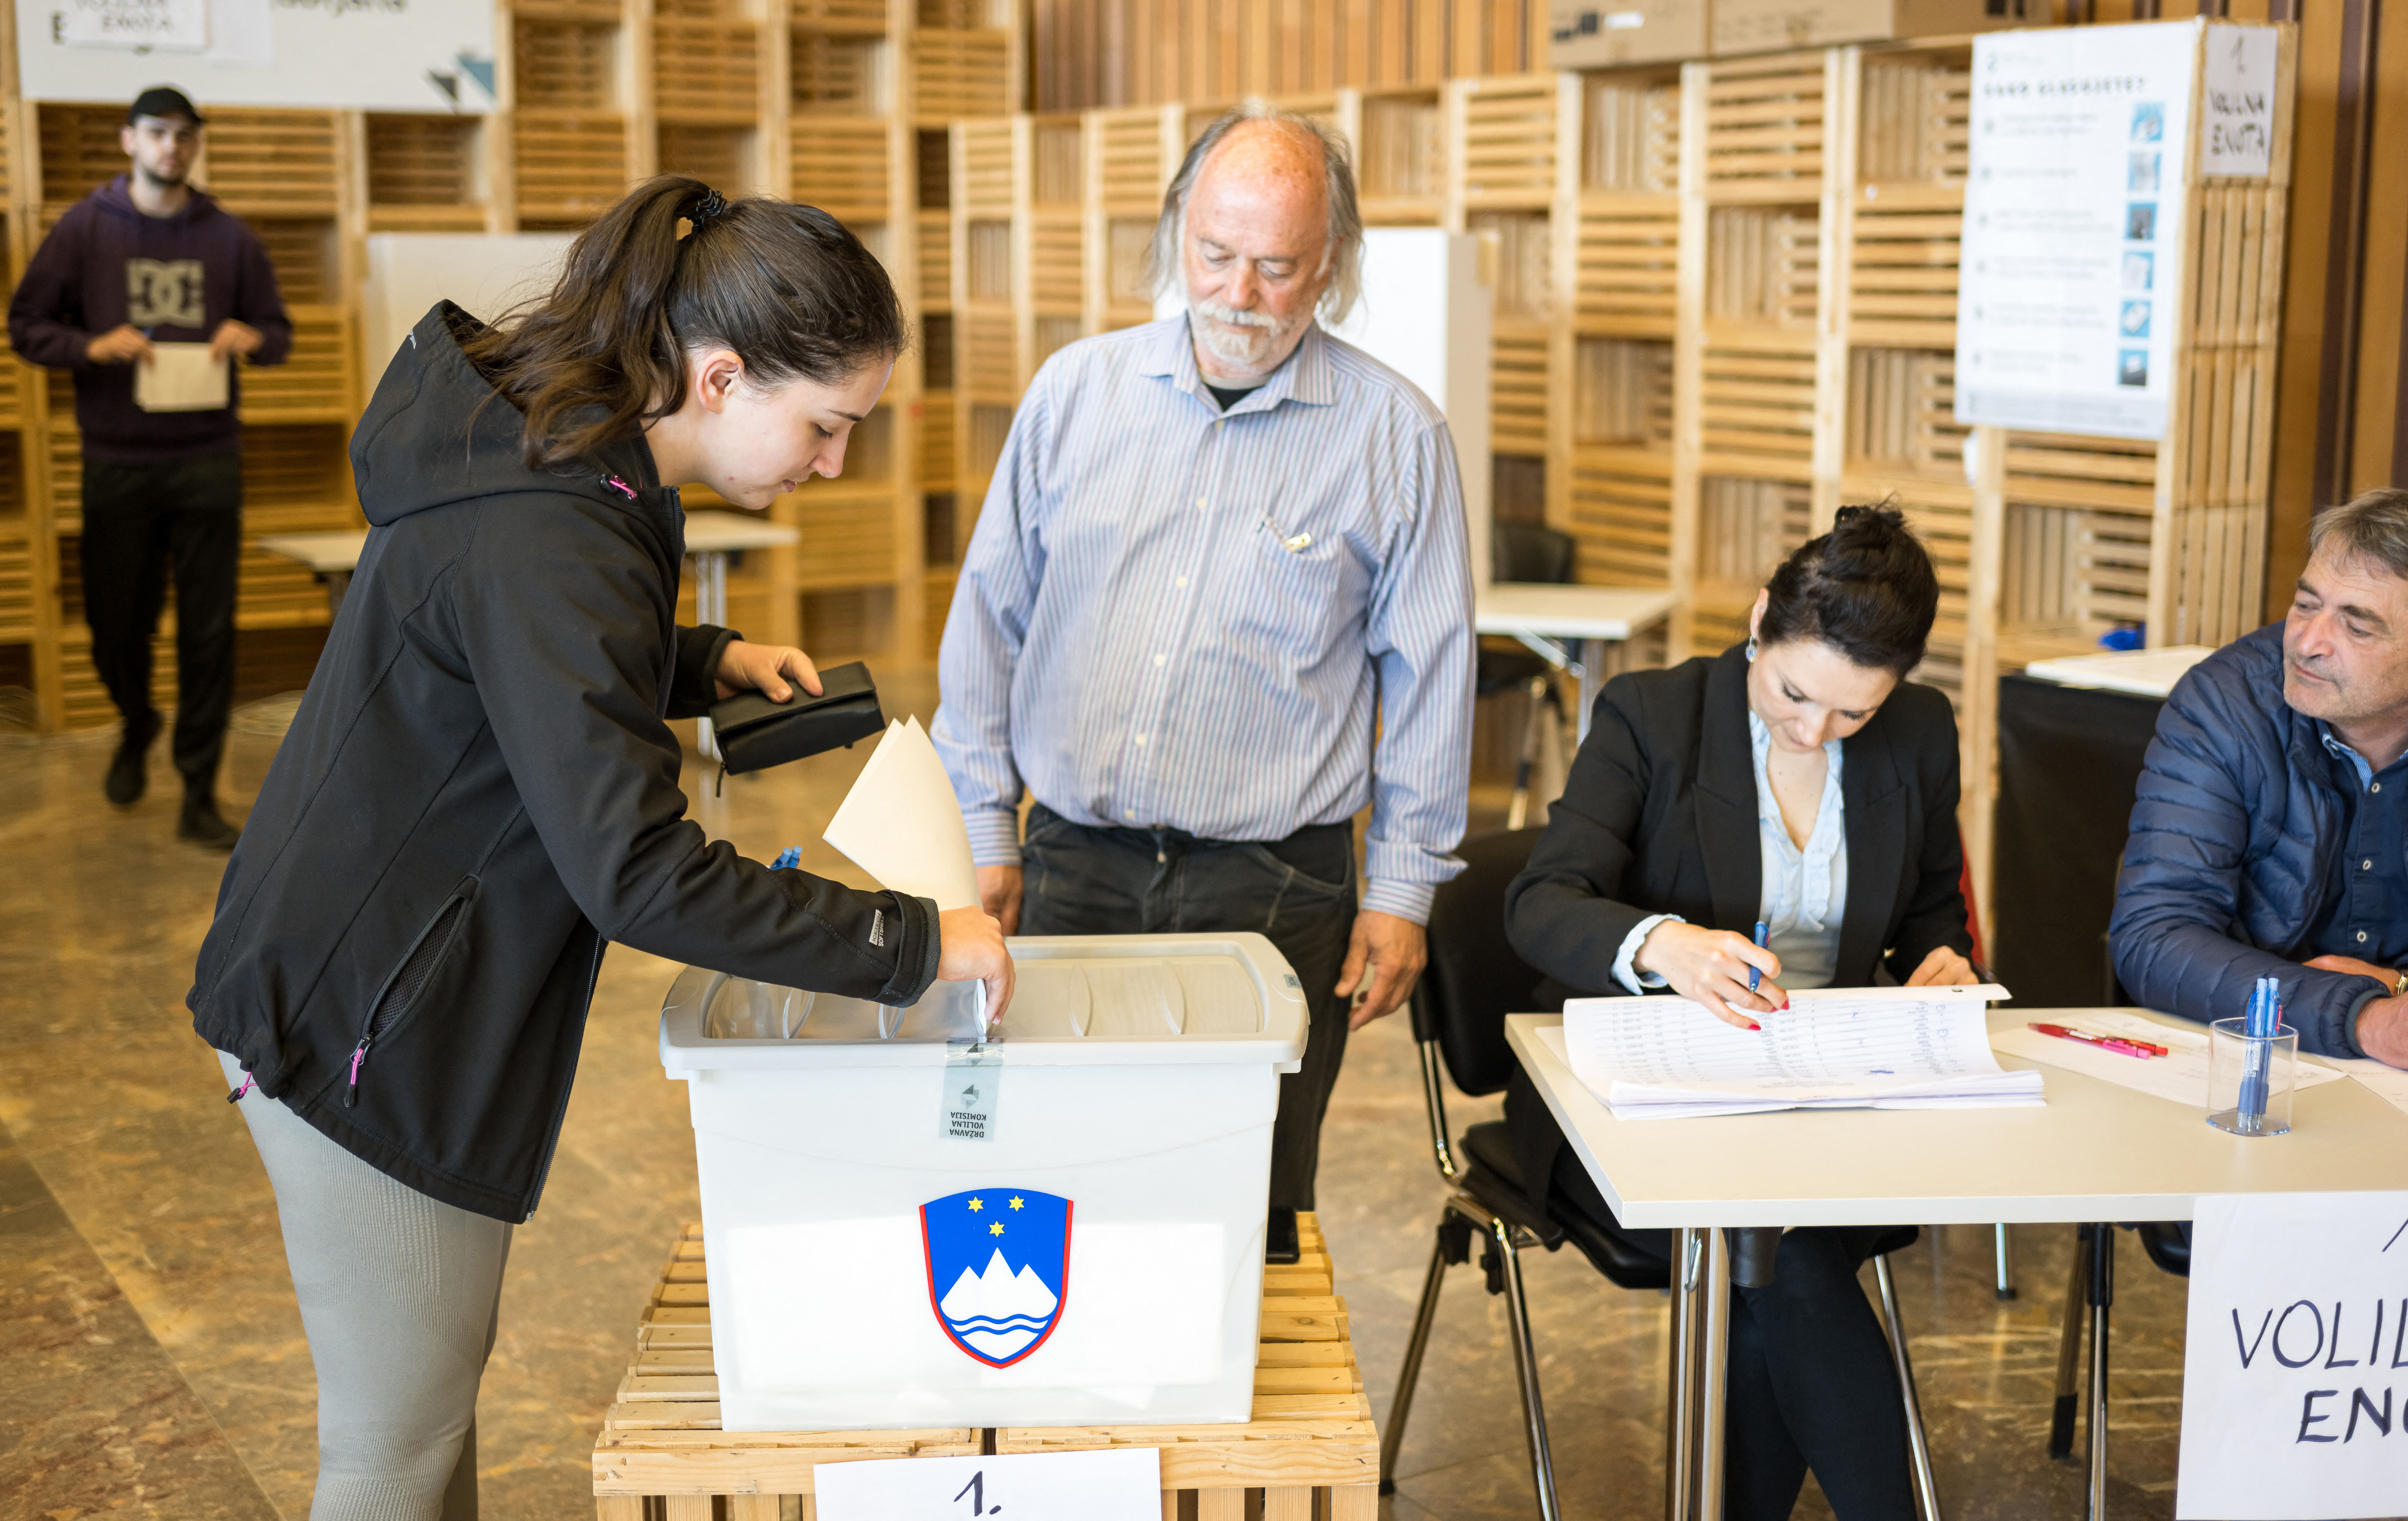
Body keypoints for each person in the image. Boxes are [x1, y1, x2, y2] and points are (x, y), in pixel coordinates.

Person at [186, 178, 1014, 1521]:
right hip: (362, 1022)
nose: (832, 464)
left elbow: (517, 661)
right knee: (393, 1447)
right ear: (724, 374)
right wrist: (913, 942)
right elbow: (634, 867)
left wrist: (703, 661)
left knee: (429, 1406)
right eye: (825, 425)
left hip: (362, 966)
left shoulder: (575, 456)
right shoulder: (555, 526)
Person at [930, 100, 1474, 1212]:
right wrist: (983, 821)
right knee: (1048, 1178)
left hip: (1276, 885)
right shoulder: (1075, 394)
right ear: (1177, 228)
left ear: (1330, 264)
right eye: (1215, 255)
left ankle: (1231, 1388)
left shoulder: (1394, 436)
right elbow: (990, 617)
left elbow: (1431, 683)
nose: (1236, 296)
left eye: (1275, 267)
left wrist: (1405, 890)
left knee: (1249, 1190)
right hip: (1075, 860)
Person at [1503, 504, 1976, 1521]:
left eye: (1850, 713)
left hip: (1831, 1094)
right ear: (1760, 620)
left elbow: (1933, 909)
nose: (1812, 729)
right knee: (1780, 1250)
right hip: (1636, 1096)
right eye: (1792, 692)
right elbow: (1539, 903)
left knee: (1771, 1259)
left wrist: (1942, 965)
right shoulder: (1649, 714)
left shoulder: (1920, 731)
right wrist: (1661, 945)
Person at [6, 85, 293, 849]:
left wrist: (251, 338)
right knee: (114, 625)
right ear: (129, 141)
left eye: (186, 136)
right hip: (117, 463)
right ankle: (137, 721)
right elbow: (27, 325)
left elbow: (278, 332)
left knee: (208, 633)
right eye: (159, 133)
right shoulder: (84, 229)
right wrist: (91, 347)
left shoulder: (230, 238)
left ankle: (200, 787)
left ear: (197, 146)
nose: (174, 147)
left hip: (206, 460)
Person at [2111, 487, 2408, 1066]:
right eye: (2306, 603)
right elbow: (2156, 935)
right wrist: (2366, 1015)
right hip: (2252, 1059)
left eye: (2358, 626)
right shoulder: (2224, 705)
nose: (2308, 642)